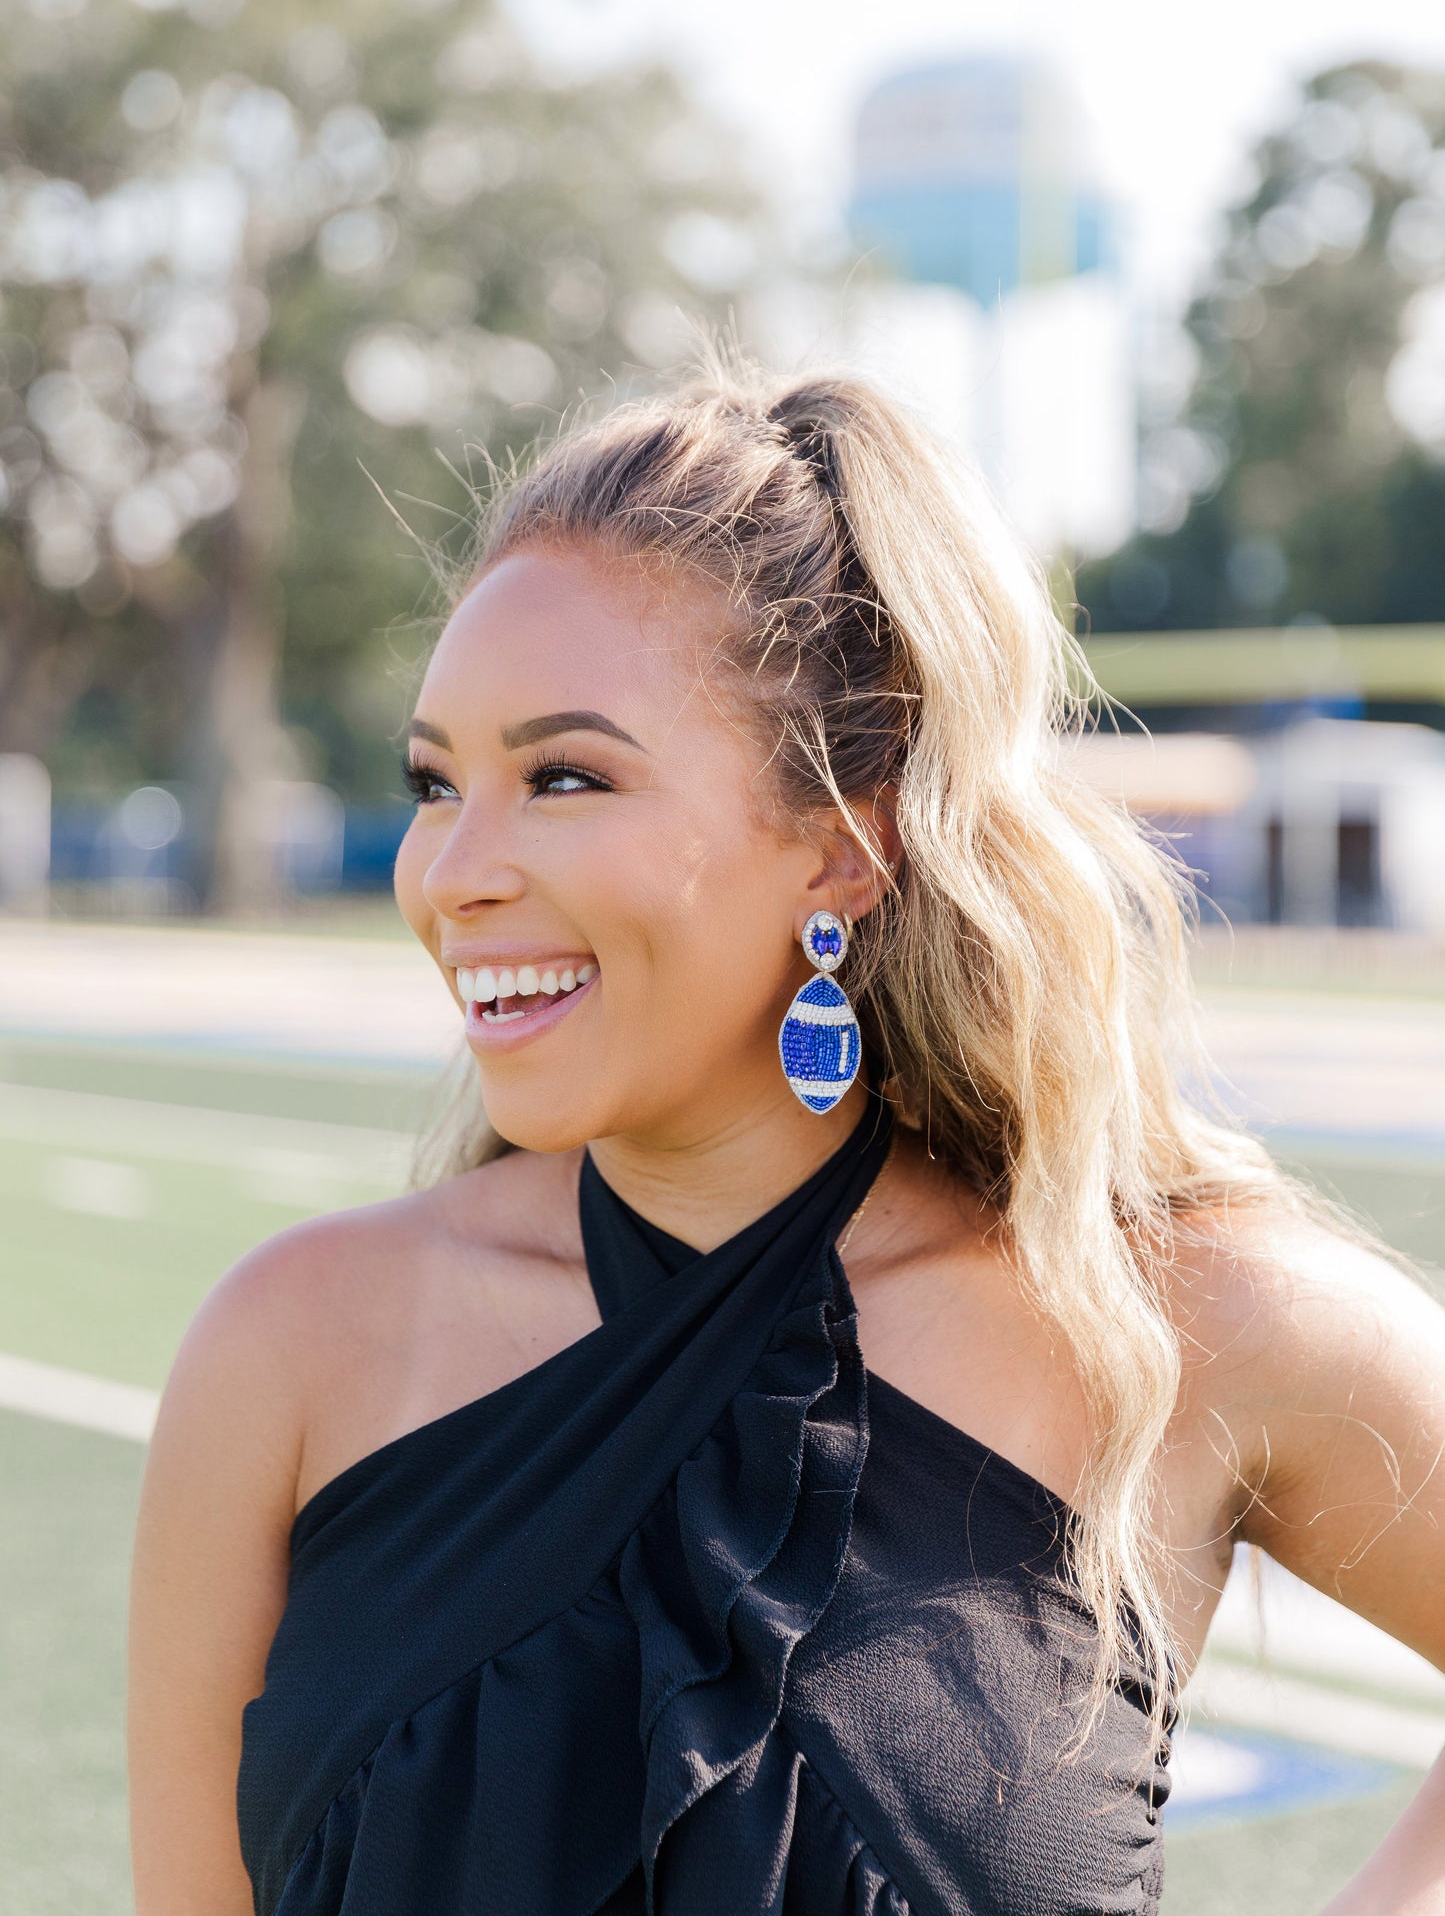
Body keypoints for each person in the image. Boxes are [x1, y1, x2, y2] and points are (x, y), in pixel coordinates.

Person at [127, 355, 1445, 1916]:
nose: (454, 873)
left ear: (841, 843)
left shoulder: (1176, 1318)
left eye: (562, 776)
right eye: (435, 782)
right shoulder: (292, 1348)